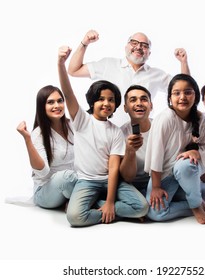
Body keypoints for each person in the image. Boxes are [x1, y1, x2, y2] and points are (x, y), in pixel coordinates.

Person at [58, 46, 149, 227]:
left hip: (110, 182)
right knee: (74, 218)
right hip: (86, 181)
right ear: (92, 101)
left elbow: (114, 168)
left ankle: (99, 205)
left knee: (142, 208)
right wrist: (61, 63)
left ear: (116, 105)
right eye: (101, 99)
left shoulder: (116, 132)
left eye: (111, 100)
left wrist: (109, 202)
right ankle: (109, 210)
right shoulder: (82, 120)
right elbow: (68, 93)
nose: (106, 103)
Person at [144, 74, 205, 224]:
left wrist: (197, 152)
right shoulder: (165, 118)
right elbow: (156, 155)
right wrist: (155, 187)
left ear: (195, 95)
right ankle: (198, 204)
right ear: (169, 97)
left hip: (188, 170)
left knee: (184, 165)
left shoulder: (200, 119)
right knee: (155, 213)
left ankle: (196, 206)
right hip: (165, 173)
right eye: (177, 93)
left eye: (188, 92)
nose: (182, 97)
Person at [67, 30, 191, 126]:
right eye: (134, 43)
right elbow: (74, 70)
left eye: (144, 45)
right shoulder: (108, 64)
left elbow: (186, 88)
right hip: (109, 134)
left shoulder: (157, 74)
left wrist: (183, 62)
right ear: (126, 47)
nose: (138, 47)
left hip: (143, 135)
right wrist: (85, 43)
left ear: (149, 53)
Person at [16, 86, 78, 209]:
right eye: (50, 102)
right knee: (67, 177)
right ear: (42, 106)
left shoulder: (72, 125)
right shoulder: (38, 134)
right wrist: (27, 139)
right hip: (46, 192)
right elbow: (43, 173)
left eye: (60, 101)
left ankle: (80, 203)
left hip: (73, 186)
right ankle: (83, 202)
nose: (57, 105)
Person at [119, 85, 153, 197]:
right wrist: (130, 151)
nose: (139, 103)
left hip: (159, 181)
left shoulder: (161, 126)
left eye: (144, 99)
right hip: (133, 185)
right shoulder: (119, 134)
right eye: (133, 100)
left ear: (151, 105)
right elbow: (127, 177)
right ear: (125, 108)